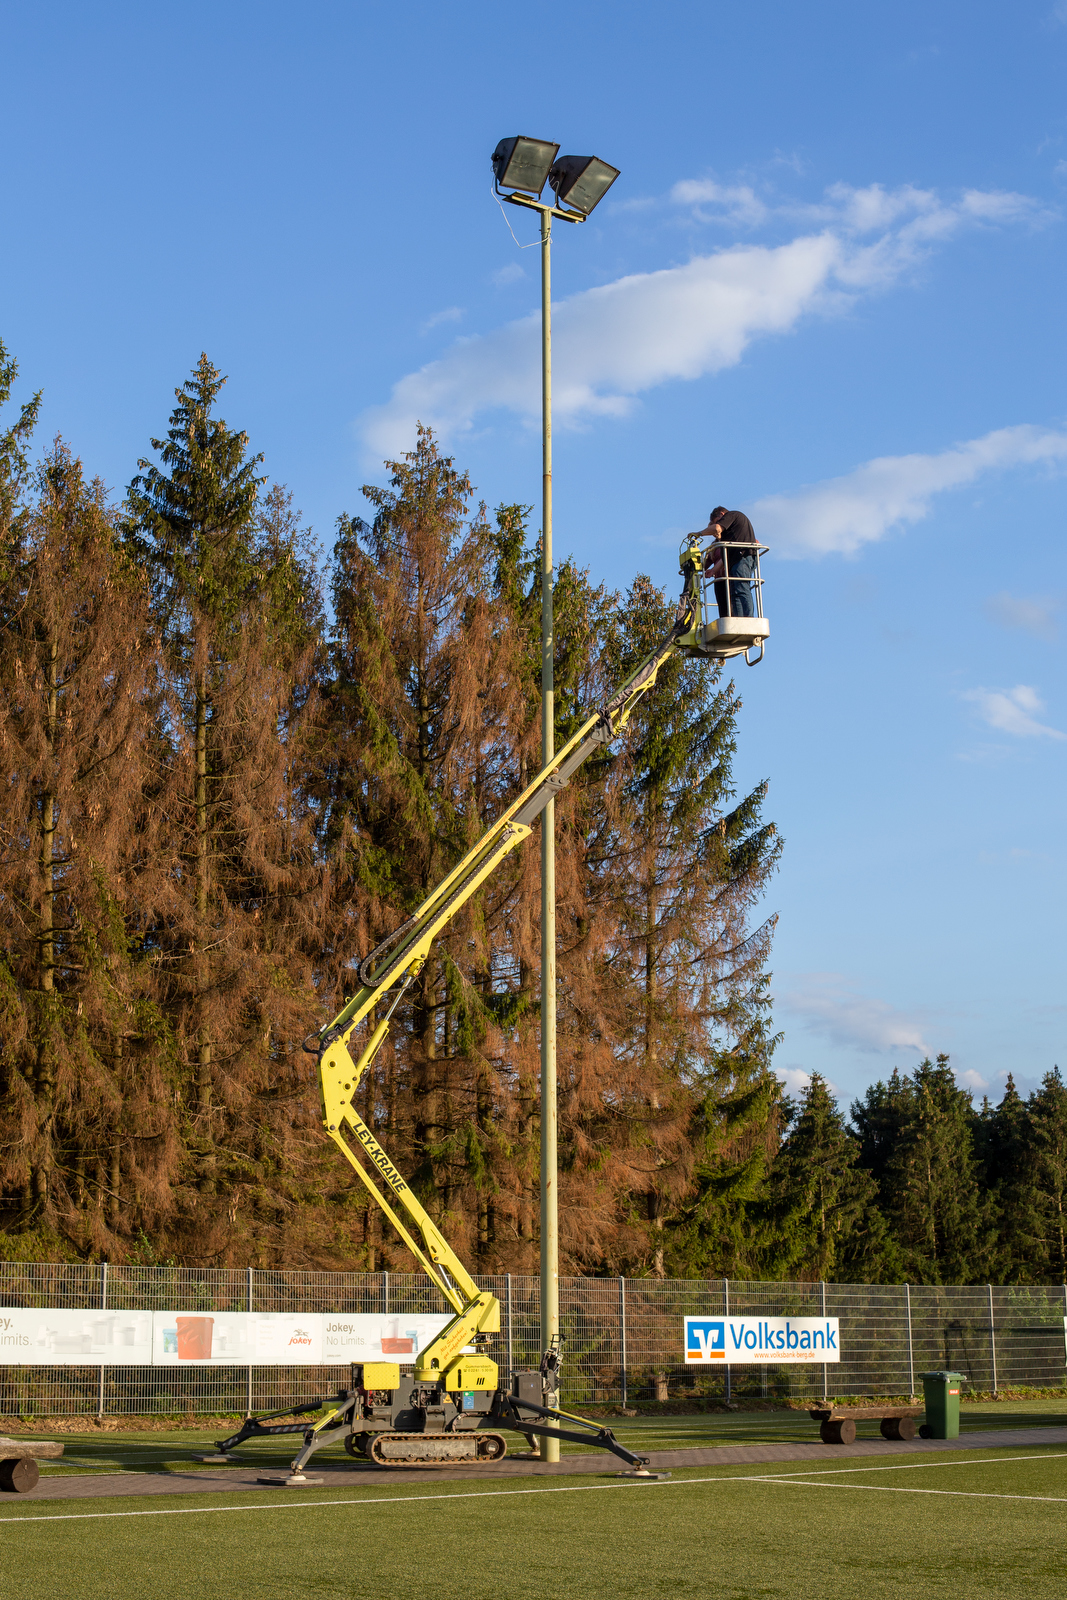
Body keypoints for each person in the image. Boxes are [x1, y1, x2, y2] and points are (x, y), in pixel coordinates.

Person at [697, 506, 758, 618]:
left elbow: (717, 528)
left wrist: (698, 534)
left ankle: (747, 618)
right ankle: (740, 619)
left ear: (722, 514)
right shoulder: (727, 535)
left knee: (741, 588)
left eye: (718, 521)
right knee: (735, 592)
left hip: (742, 557)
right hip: (735, 560)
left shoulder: (733, 515)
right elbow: (711, 560)